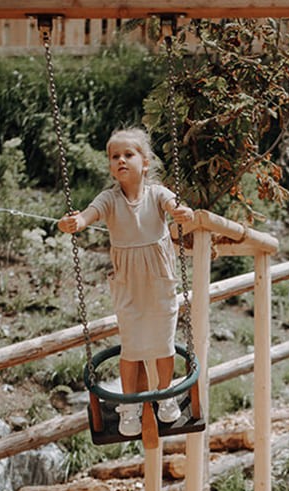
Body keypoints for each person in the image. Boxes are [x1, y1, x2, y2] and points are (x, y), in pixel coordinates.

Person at [58, 127, 194, 437]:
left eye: (128, 155)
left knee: (162, 342)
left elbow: (174, 206)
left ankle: (166, 395)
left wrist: (181, 213)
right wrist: (74, 222)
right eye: (114, 156)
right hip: (128, 281)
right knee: (131, 347)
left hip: (159, 278)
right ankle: (129, 406)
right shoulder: (109, 199)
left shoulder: (157, 193)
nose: (120, 160)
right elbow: (88, 215)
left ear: (145, 162)